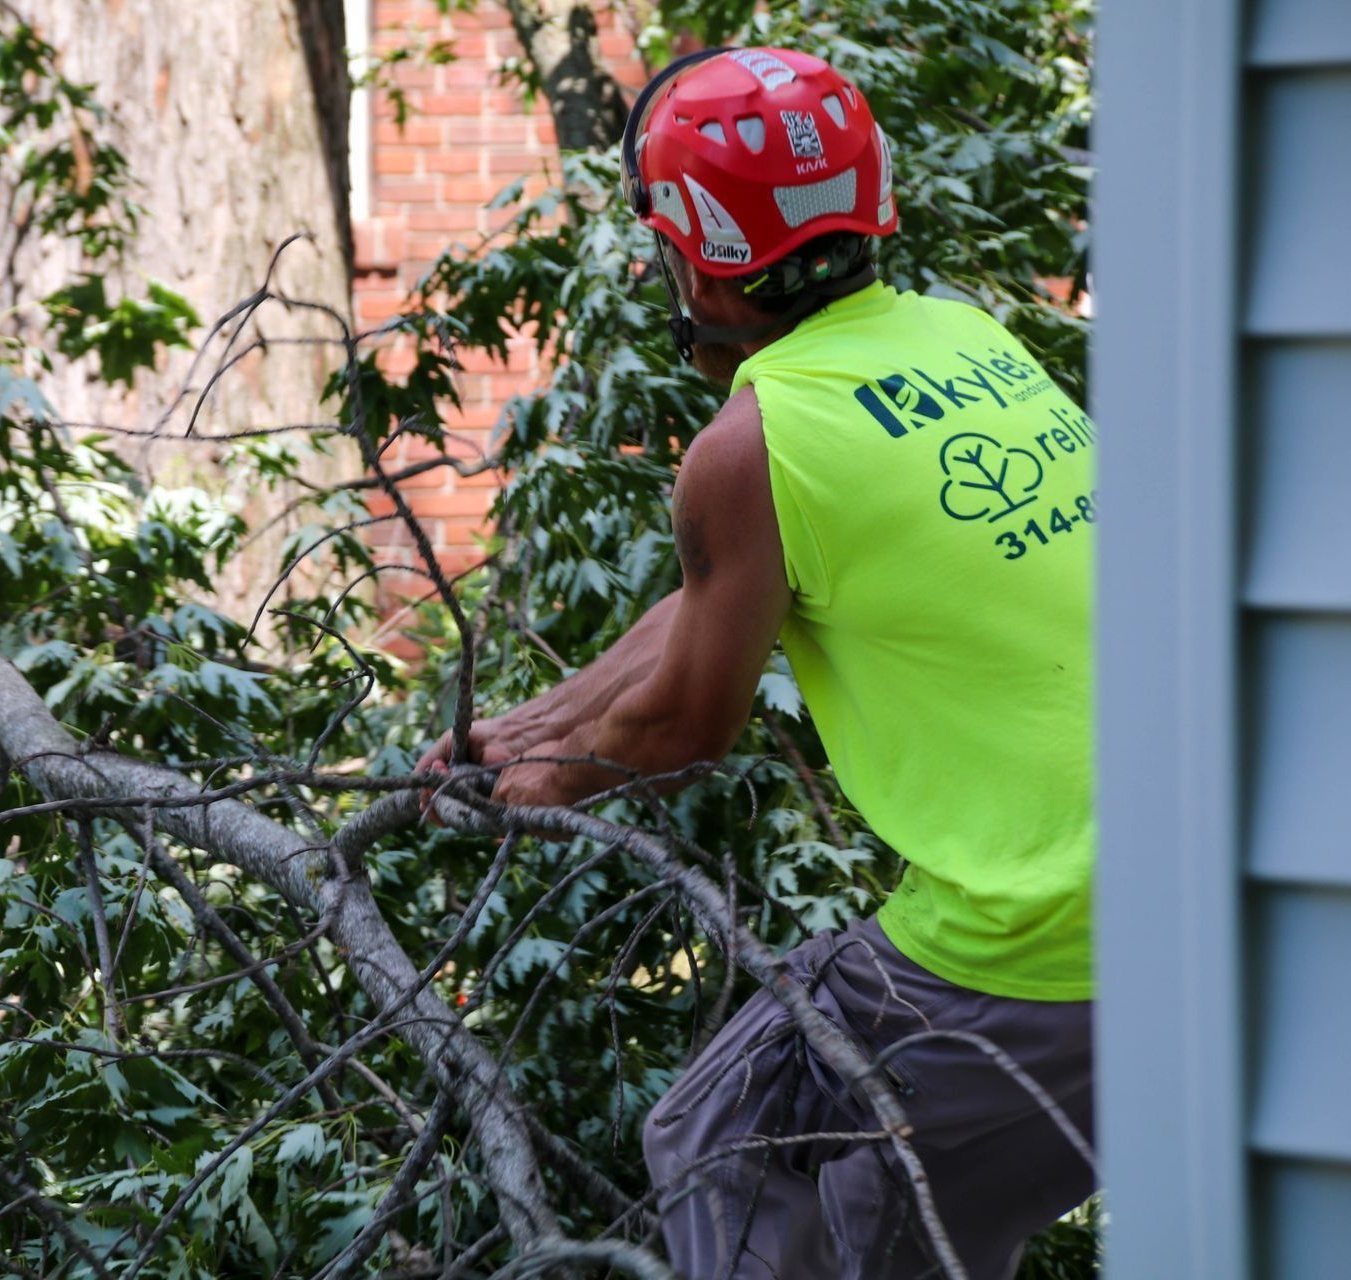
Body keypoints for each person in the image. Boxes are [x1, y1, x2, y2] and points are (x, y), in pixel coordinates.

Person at [416, 47, 1096, 1278]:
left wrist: (536, 789)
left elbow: (683, 728)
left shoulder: (754, 443)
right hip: (1196, 892)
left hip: (1043, 939)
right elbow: (708, 607)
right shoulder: (957, 338)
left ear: (691, 249)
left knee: (755, 1172)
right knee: (721, 1122)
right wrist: (525, 726)